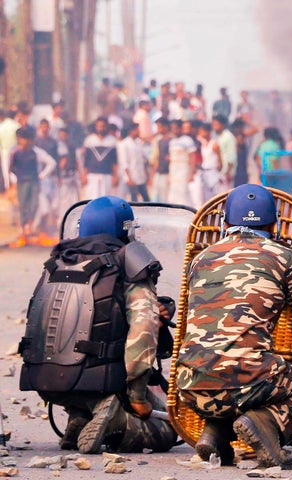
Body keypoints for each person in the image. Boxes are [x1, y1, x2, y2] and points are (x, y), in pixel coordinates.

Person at [177, 184, 292, 467]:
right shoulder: (287, 258)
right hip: (248, 382)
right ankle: (269, 424)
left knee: (236, 372)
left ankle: (217, 431)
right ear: (274, 224)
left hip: (190, 388)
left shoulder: (200, 260)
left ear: (225, 223)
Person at [19, 196, 176, 453]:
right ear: (125, 229)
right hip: (101, 379)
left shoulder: (57, 261)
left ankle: (79, 416)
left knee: (89, 389)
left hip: (48, 384)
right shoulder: (127, 262)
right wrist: (137, 395)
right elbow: (144, 327)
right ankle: (117, 420)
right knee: (165, 433)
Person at [8, 128, 56, 243]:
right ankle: (23, 230)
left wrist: (42, 175)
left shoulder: (36, 152)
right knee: (23, 205)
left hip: (34, 182)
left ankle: (31, 228)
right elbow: (9, 169)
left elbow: (52, 163)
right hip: (21, 182)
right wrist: (12, 181)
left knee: (34, 205)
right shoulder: (15, 152)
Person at [81, 117, 118, 199]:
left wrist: (115, 176)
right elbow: (86, 160)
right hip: (92, 175)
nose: (101, 128)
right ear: (96, 127)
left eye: (103, 126)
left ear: (107, 126)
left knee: (106, 199)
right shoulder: (90, 140)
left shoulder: (112, 141)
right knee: (91, 199)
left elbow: (115, 161)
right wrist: (84, 175)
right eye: (99, 126)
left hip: (107, 175)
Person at [167, 120, 198, 205]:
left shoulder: (187, 140)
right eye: (173, 129)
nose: (174, 130)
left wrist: (191, 173)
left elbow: (192, 157)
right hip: (173, 170)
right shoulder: (172, 142)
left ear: (181, 128)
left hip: (183, 170)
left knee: (183, 194)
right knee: (173, 195)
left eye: (176, 128)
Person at [117, 123, 149, 202]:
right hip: (131, 177)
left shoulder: (139, 143)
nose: (139, 131)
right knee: (134, 200)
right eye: (137, 130)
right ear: (132, 131)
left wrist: (146, 173)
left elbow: (143, 160)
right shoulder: (124, 144)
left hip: (141, 176)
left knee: (146, 199)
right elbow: (124, 163)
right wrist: (129, 178)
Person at [56, 127, 81, 218]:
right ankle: (63, 217)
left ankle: (74, 216)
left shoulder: (72, 146)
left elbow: (77, 160)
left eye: (64, 134)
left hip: (73, 173)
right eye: (61, 135)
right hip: (63, 175)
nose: (63, 136)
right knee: (63, 198)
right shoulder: (57, 146)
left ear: (68, 135)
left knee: (75, 197)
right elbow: (60, 163)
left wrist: (80, 173)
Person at [197, 122, 221, 203]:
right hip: (205, 172)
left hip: (213, 172)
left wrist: (219, 174)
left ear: (207, 131)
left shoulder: (214, 144)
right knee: (205, 197)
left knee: (214, 197)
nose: (200, 133)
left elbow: (220, 161)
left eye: (202, 131)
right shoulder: (203, 143)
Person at [149, 117, 172, 202]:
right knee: (156, 197)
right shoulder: (159, 141)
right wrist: (152, 176)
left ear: (166, 127)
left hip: (167, 174)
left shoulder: (171, 140)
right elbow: (157, 159)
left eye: (160, 127)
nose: (158, 129)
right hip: (159, 173)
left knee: (165, 198)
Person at [212, 114, 236, 188]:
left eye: (216, 124)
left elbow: (232, 156)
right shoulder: (219, 136)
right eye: (213, 124)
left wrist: (228, 172)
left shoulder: (228, 136)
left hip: (227, 173)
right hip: (220, 172)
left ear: (223, 125)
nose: (214, 127)